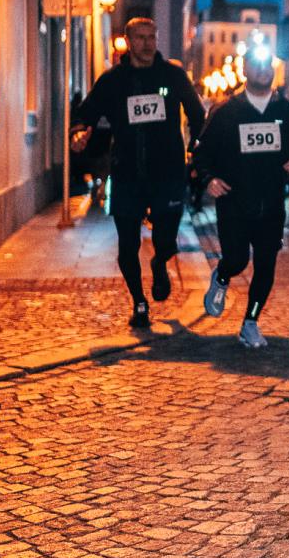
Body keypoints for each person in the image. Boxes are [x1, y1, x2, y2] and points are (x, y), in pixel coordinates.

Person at [73, 17, 206, 329]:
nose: (147, 44)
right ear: (129, 41)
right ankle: (139, 302)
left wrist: (198, 146)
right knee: (127, 244)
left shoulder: (173, 74)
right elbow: (86, 113)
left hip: (167, 171)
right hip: (127, 171)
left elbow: (197, 113)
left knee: (167, 238)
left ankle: (160, 262)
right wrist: (79, 132)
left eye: (152, 37)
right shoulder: (114, 80)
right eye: (141, 38)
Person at [195, 47, 289, 348]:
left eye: (267, 64)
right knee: (236, 259)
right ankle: (222, 276)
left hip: (271, 203)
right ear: (245, 69)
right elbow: (201, 153)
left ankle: (250, 322)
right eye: (257, 65)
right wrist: (209, 179)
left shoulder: (286, 110)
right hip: (234, 201)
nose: (263, 69)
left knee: (266, 265)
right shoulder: (225, 111)